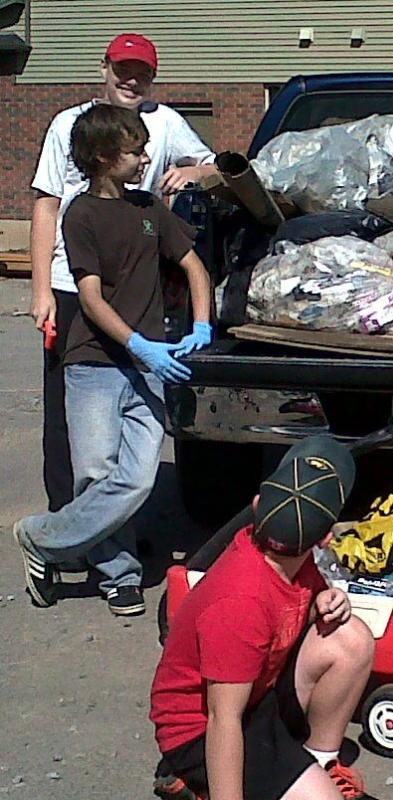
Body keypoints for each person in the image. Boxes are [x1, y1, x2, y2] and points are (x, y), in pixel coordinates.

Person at [13, 104, 213, 616]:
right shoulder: (80, 215)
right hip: (94, 365)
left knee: (140, 478)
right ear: (103, 158)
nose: (146, 158)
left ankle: (41, 538)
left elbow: (194, 267)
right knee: (98, 476)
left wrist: (200, 325)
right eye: (135, 150)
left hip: (146, 367)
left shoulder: (150, 211)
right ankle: (118, 575)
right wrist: (138, 344)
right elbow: (92, 298)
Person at [29, 32, 216, 514]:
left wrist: (195, 174)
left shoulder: (165, 123)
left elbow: (220, 168)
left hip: (133, 289)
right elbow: (47, 205)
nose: (131, 80)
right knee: (68, 413)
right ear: (105, 68)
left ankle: (114, 525)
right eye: (123, 69)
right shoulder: (69, 124)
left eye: (143, 73)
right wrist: (40, 291)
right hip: (71, 285)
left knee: (132, 409)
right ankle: (67, 518)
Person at [150, 436, 375, 800]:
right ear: (327, 539)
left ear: (257, 506)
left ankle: (319, 762)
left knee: (351, 638)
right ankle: (197, 780)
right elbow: (223, 719)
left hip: (256, 694)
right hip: (198, 730)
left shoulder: (281, 550)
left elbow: (302, 593)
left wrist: (328, 597)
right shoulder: (241, 601)